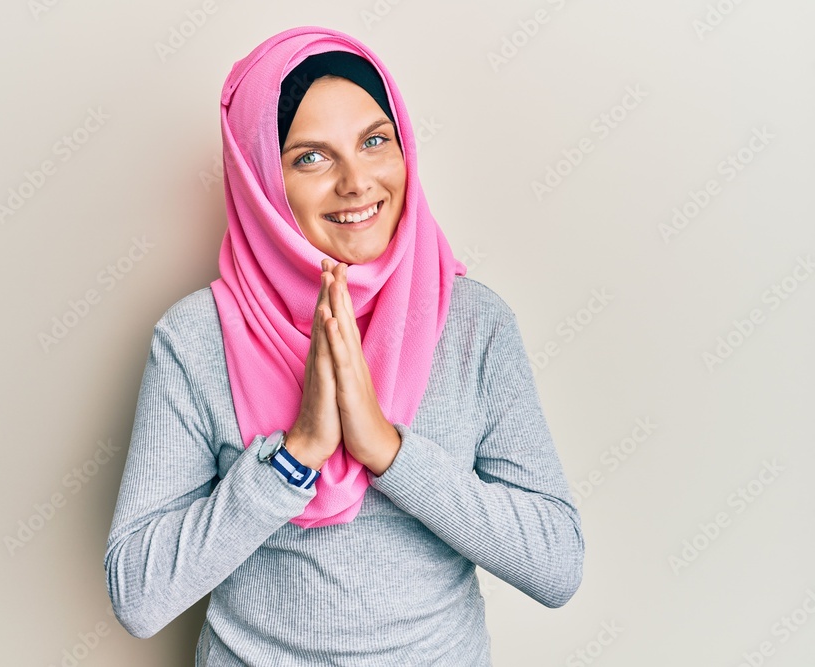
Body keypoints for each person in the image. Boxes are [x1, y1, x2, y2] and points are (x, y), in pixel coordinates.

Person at [103, 25, 584, 666]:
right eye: (312, 158)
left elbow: (556, 563)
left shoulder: (475, 323)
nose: (357, 182)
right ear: (261, 182)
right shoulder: (197, 337)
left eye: (375, 141)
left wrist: (387, 451)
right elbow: (139, 597)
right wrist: (297, 455)